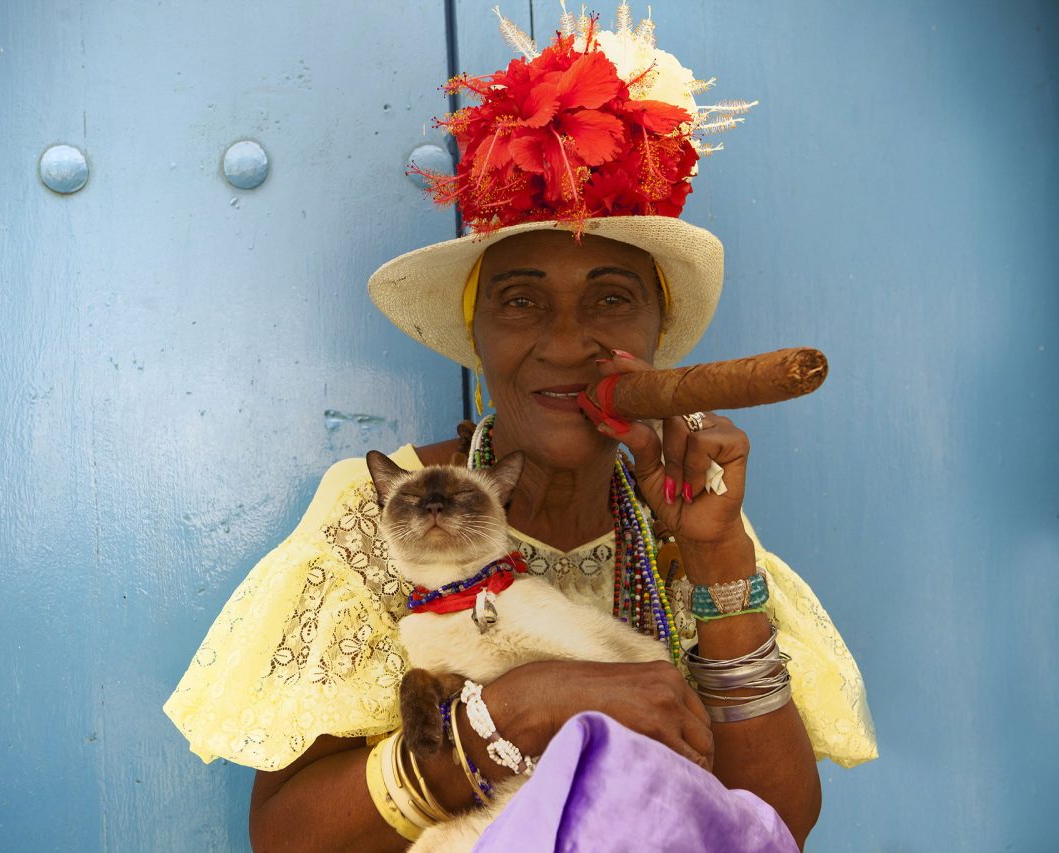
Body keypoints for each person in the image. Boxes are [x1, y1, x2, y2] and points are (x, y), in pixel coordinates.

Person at [165, 6, 876, 850]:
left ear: (655, 334)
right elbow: (289, 837)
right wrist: (528, 703)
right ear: (477, 338)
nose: (568, 343)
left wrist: (720, 555)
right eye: (521, 300)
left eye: (611, 298)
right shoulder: (380, 513)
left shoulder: (688, 521)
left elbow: (772, 823)